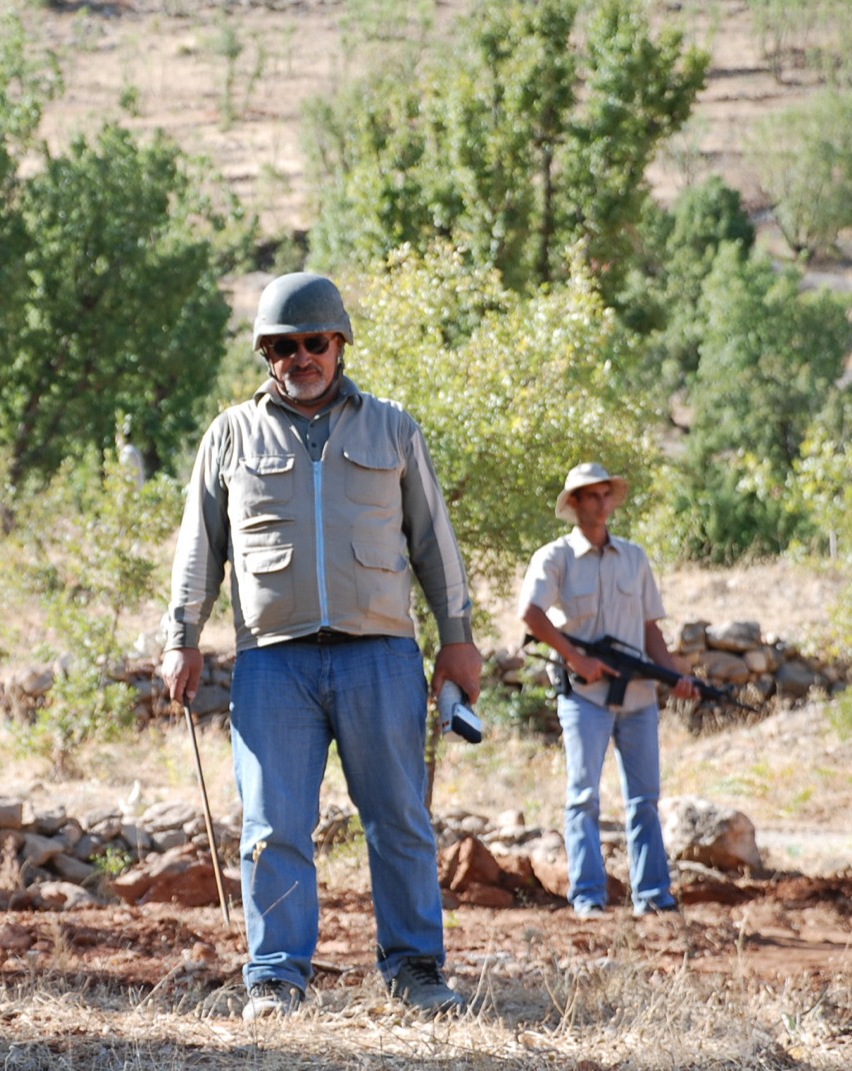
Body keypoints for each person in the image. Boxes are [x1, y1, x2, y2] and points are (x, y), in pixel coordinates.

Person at [160, 272, 482, 1020]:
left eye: (314, 342)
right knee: (273, 826)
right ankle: (276, 978)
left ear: (339, 344)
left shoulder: (393, 428)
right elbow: (198, 548)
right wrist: (182, 639)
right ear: (265, 354)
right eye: (283, 346)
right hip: (273, 661)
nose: (300, 357)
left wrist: (458, 640)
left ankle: (416, 971)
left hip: (381, 655)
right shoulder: (230, 436)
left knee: (399, 817)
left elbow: (435, 541)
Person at [518, 463, 697, 921]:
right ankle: (588, 897)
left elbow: (650, 629)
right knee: (583, 797)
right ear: (574, 503)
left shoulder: (634, 558)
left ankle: (653, 896)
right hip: (584, 695)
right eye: (591, 496)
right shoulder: (555, 557)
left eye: (605, 495)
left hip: (637, 697)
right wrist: (576, 659)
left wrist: (673, 675)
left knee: (645, 799)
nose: (601, 504)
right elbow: (531, 615)